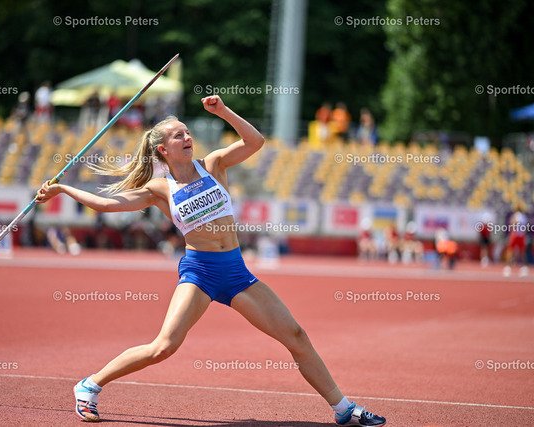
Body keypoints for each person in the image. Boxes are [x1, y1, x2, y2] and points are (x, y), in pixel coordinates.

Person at [36, 95, 386, 426]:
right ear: (163, 149)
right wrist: (62, 189)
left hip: (236, 272)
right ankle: (90, 385)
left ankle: (344, 410)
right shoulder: (160, 189)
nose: (187, 137)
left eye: (187, 132)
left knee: (296, 335)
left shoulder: (213, 165)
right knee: (163, 347)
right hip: (200, 272)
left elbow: (255, 142)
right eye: (178, 135)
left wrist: (223, 112)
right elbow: (107, 205)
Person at [503, 207, 528, 277]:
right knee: (521, 251)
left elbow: (513, 223)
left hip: (516, 234)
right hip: (521, 234)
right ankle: (523, 266)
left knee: (511, 250)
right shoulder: (524, 216)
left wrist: (512, 233)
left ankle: (508, 267)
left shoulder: (517, 215)